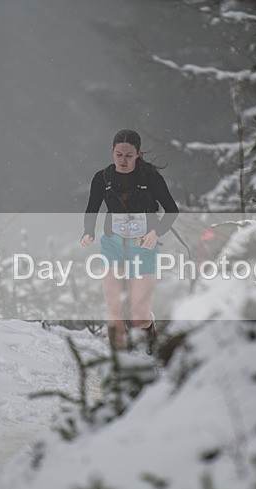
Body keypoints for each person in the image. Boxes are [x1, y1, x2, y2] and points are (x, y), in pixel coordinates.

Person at [81, 129, 179, 352]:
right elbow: (92, 208)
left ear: (138, 154)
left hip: (143, 246)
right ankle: (121, 364)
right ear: (112, 152)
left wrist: (156, 233)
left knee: (138, 314)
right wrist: (89, 232)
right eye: (118, 154)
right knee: (114, 309)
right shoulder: (103, 178)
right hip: (113, 245)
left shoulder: (150, 177)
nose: (123, 160)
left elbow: (172, 211)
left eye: (128, 155)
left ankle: (151, 343)